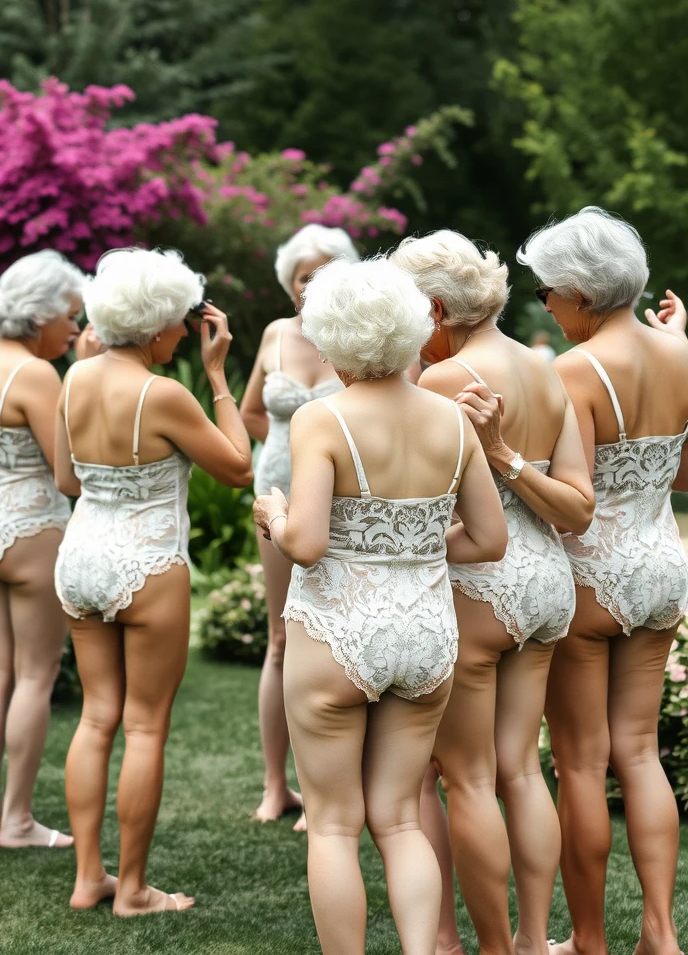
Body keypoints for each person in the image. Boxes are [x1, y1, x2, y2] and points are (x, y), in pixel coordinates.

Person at [253, 257, 507, 954]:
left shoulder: (321, 419)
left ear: (335, 337)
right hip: (425, 634)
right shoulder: (454, 424)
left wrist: (272, 514)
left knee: (334, 824)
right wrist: (410, 547)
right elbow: (489, 538)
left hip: (338, 632)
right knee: (398, 820)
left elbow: (304, 544)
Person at [390, 230, 595, 955]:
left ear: (437, 309)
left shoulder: (446, 383)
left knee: (468, 778)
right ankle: (536, 940)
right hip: (545, 585)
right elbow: (577, 508)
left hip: (476, 584)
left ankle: (497, 950)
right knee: (518, 770)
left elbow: (404, 505)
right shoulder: (548, 373)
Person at [55, 247, 253, 915]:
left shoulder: (76, 378)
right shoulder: (163, 393)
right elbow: (237, 468)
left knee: (95, 717)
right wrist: (219, 376)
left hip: (81, 555)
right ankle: (132, 889)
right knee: (144, 728)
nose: (182, 332)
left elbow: (65, 480)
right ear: (158, 325)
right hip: (145, 564)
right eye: (178, 321)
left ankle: (89, 878)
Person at [519, 207, 688, 955]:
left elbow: (571, 507)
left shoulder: (574, 370)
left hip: (593, 577)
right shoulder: (683, 355)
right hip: (662, 562)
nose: (546, 307)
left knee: (581, 760)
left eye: (549, 293)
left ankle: (589, 939)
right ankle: (661, 931)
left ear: (581, 295)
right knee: (641, 752)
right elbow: (684, 475)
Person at [0, 251, 85, 849]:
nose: (77, 330)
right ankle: (18, 821)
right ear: (40, 317)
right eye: (71, 316)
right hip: (30, 527)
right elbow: (70, 476)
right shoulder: (37, 374)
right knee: (35, 674)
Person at [239, 224, 359, 829]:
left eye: (322, 272)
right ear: (288, 283)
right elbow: (252, 412)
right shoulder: (274, 335)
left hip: (346, 503)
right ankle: (274, 784)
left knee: (333, 638)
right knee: (282, 639)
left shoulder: (359, 338)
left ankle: (326, 788)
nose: (311, 285)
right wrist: (284, 457)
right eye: (302, 275)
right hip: (277, 499)